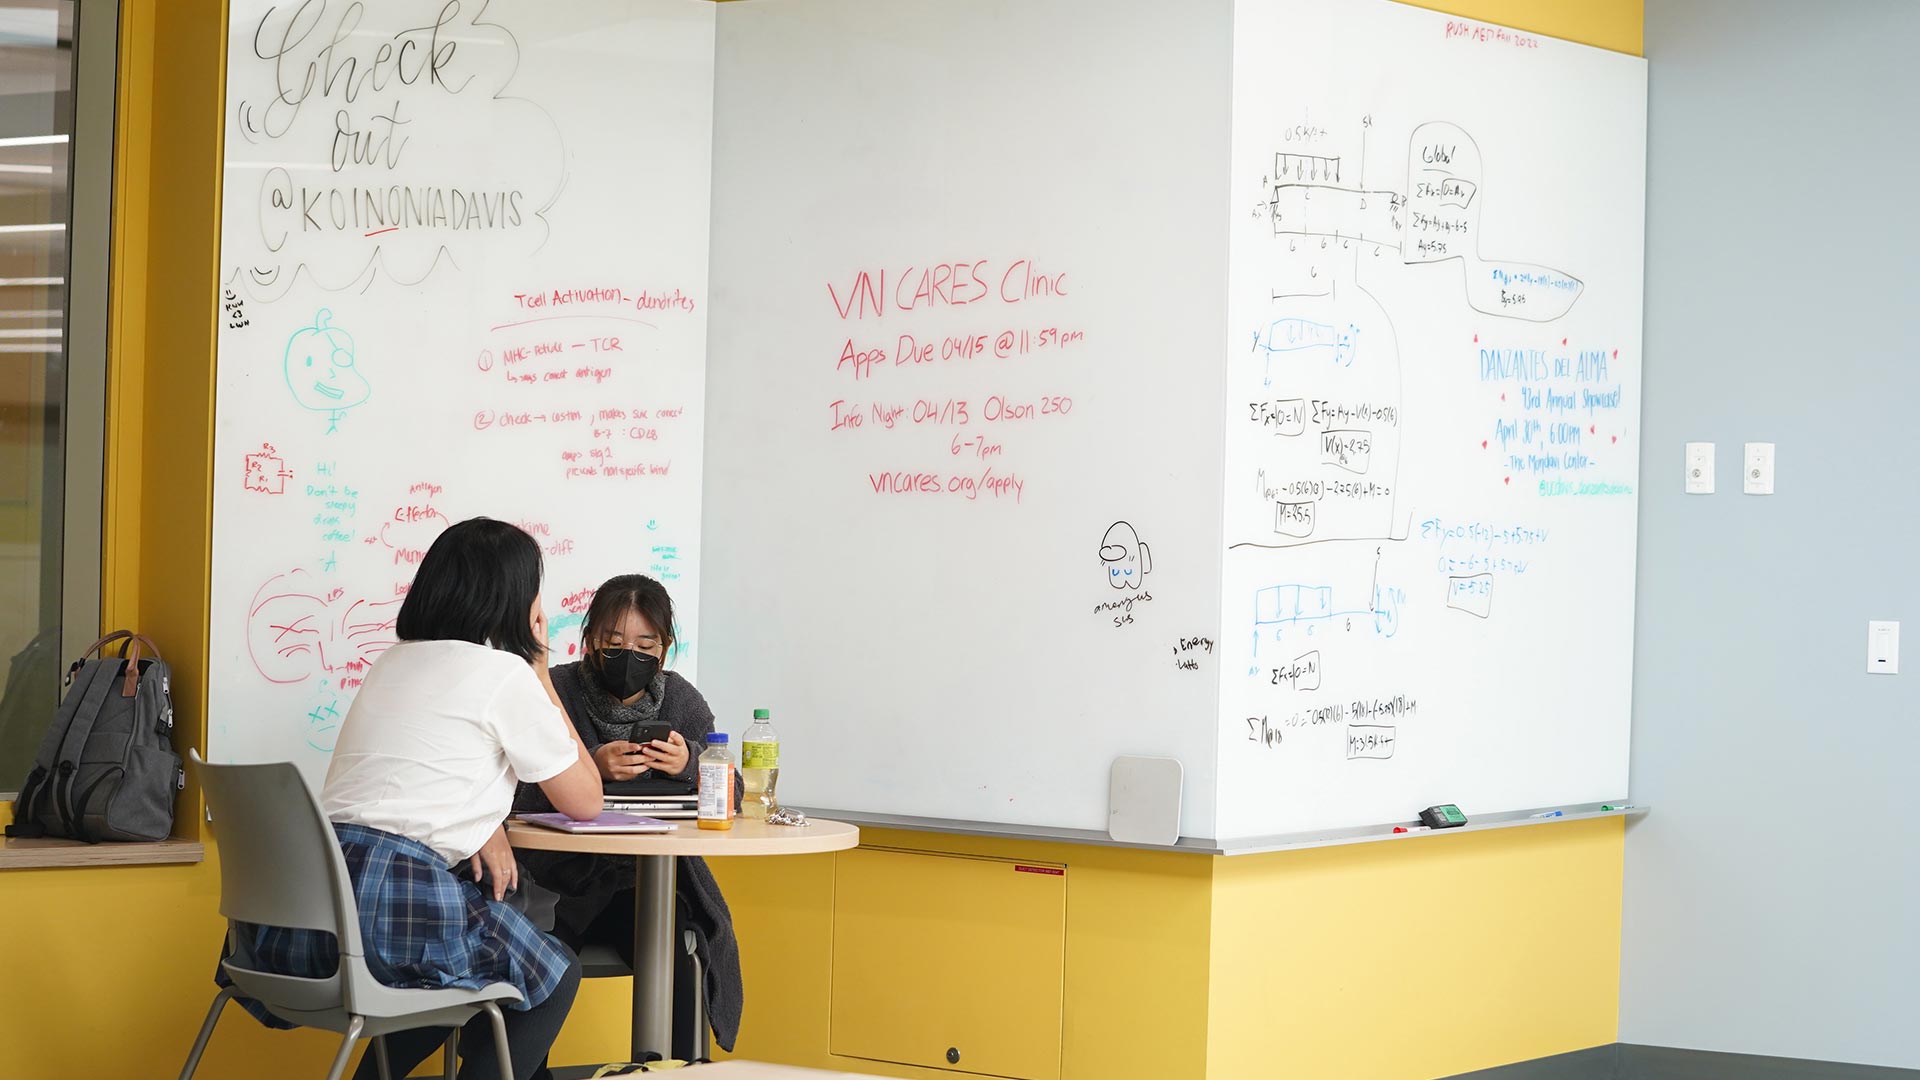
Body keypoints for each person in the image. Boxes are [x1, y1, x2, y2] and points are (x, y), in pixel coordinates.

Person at [216, 518, 603, 1080]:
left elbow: (407, 785)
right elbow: (585, 800)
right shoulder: (504, 675)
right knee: (553, 975)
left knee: (442, 980)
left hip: (299, 912)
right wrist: (540, 670)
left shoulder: (391, 664)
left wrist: (482, 826)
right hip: (386, 911)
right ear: (514, 598)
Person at [515, 574, 744, 1062]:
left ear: (664, 649)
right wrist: (587, 767)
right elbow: (512, 789)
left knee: (679, 949)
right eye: (613, 643)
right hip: (558, 884)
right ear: (590, 638)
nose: (629, 657)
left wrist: (690, 763)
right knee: (533, 966)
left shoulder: (680, 700)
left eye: (645, 645)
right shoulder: (555, 688)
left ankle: (679, 1069)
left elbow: (734, 792)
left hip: (645, 887)